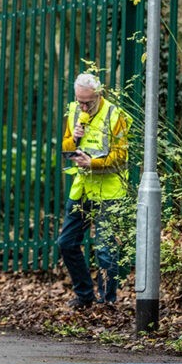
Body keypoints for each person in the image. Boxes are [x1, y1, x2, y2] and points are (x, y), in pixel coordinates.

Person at [57, 73, 132, 309]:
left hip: (109, 192)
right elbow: (66, 145)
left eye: (87, 102)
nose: (83, 106)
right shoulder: (74, 111)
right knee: (66, 242)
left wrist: (94, 163)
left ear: (99, 96)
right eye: (79, 101)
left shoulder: (115, 115)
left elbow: (122, 156)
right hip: (82, 189)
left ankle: (106, 302)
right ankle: (85, 294)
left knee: (105, 250)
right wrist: (74, 141)